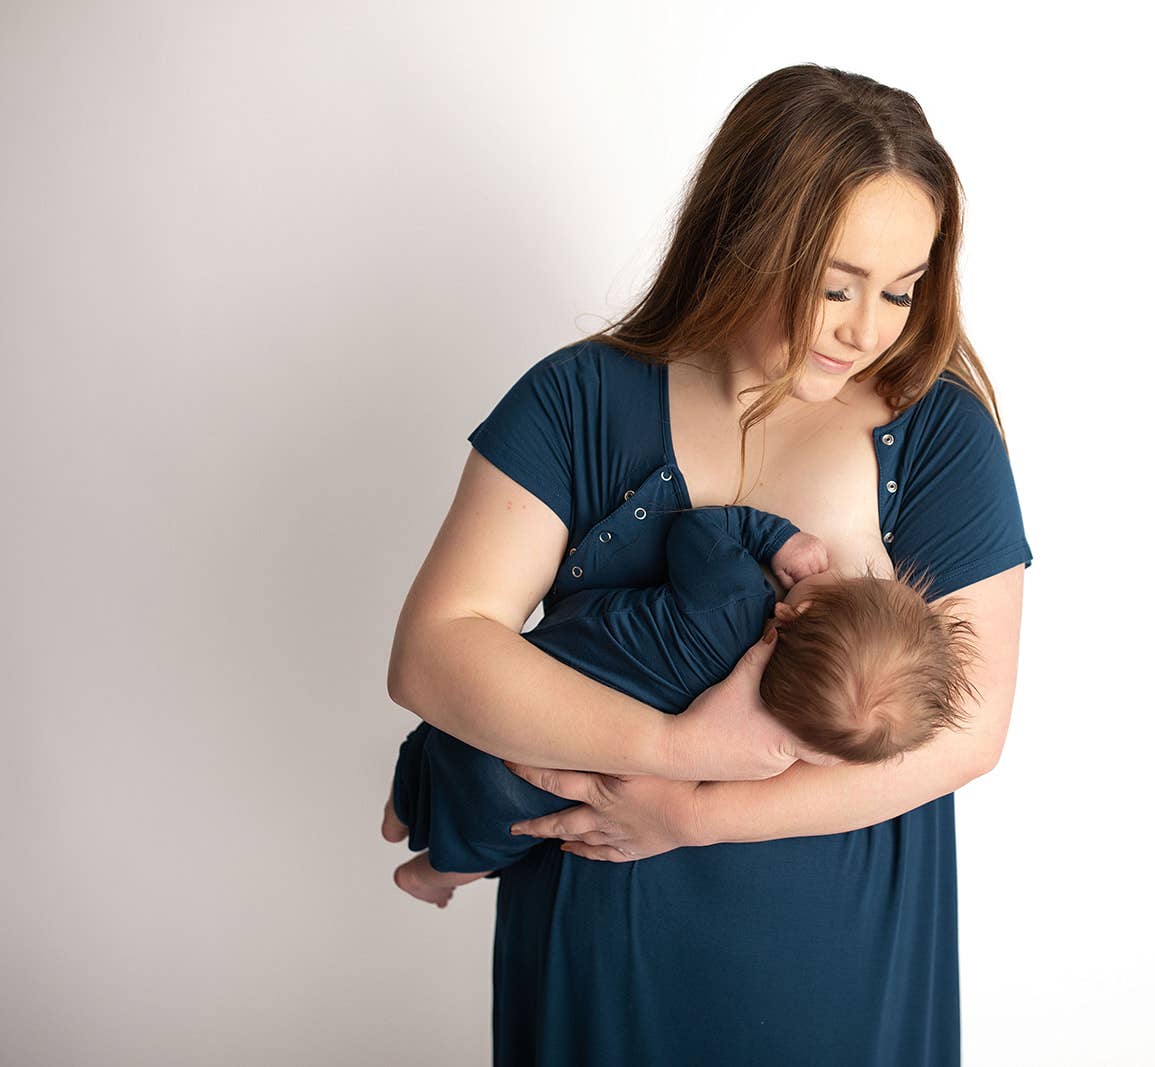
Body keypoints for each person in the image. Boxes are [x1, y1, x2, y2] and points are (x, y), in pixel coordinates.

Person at [384, 63, 1032, 1065]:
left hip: (836, 955)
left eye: (900, 290)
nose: (867, 329)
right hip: (601, 931)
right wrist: (676, 746)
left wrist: (696, 813)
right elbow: (433, 654)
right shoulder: (577, 399)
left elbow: (968, 735)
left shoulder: (936, 433)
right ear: (745, 236)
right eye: (835, 285)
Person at [381, 503, 981, 908]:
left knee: (433, 743)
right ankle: (433, 876)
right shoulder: (760, 748)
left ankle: (398, 810)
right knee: (492, 836)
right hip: (531, 787)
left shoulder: (732, 599)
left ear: (792, 612)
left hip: (507, 700)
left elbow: (697, 530)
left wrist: (775, 537)